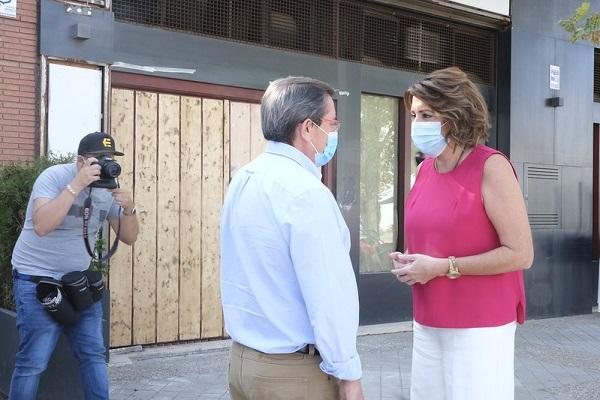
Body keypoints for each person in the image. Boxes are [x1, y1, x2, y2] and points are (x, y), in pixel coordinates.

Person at [390, 67, 534, 400]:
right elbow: (432, 240)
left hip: (479, 324)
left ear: (456, 116)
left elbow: (521, 253)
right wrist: (410, 263)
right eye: (414, 115)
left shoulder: (491, 166)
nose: (417, 124)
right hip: (428, 318)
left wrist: (441, 267)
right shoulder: (426, 168)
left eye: (427, 114)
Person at [220, 76, 364, 400]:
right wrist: (348, 373)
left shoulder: (244, 179)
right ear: (307, 128)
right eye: (332, 123)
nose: (334, 133)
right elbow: (328, 293)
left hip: (244, 362)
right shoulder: (306, 192)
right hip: (292, 374)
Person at [9, 132, 139, 400]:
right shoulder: (55, 177)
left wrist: (129, 210)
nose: (104, 164)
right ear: (80, 161)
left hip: (77, 283)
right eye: (98, 159)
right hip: (36, 282)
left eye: (109, 158)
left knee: (93, 355)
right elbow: (43, 225)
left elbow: (128, 238)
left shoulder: (108, 186)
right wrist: (75, 186)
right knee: (33, 362)